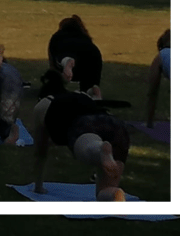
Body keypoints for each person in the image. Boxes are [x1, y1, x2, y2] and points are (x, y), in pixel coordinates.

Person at [32, 70, 129, 201]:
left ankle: (100, 150)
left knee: (91, 147)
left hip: (85, 126)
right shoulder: (79, 94)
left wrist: (38, 187)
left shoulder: (42, 105)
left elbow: (40, 153)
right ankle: (115, 193)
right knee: (104, 191)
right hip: (115, 125)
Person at [47, 15, 103, 99]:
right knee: (89, 82)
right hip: (92, 55)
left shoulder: (58, 36)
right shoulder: (85, 37)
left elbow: (52, 65)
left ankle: (67, 61)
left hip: (67, 54)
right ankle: (93, 90)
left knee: (61, 58)